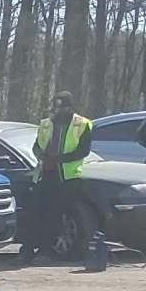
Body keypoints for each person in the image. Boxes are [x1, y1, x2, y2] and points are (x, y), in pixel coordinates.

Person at [32, 90, 109, 271]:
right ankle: (36, 250)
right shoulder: (45, 124)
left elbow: (83, 151)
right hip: (46, 175)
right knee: (40, 214)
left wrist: (57, 160)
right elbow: (36, 146)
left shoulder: (81, 124)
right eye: (57, 106)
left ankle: (49, 252)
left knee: (58, 215)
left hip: (68, 177)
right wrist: (44, 157)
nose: (60, 110)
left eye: (64, 106)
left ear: (71, 106)